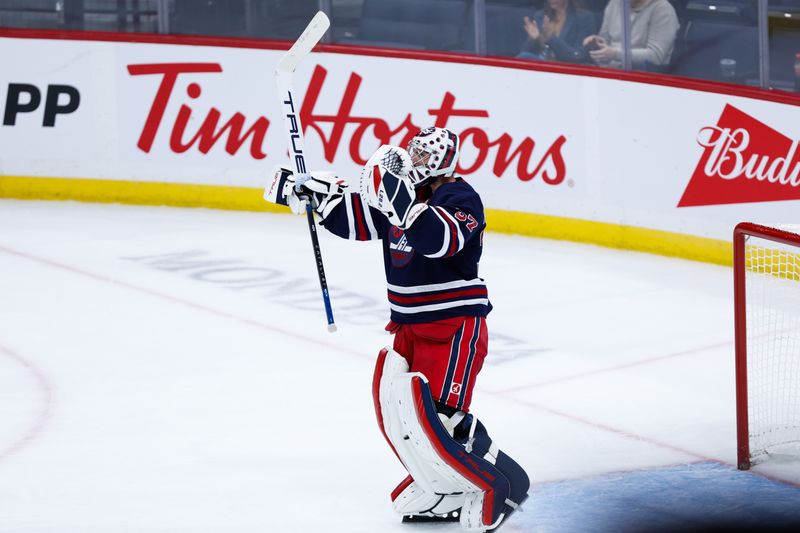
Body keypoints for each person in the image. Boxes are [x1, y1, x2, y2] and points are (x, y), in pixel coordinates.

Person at [264, 128, 530, 531]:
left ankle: (501, 484)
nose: (415, 161)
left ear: (443, 162)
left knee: (441, 420)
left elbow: (441, 240)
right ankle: (441, 487)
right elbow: (354, 219)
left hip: (453, 326)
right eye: (414, 153)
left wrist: (401, 207)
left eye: (424, 156)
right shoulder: (401, 198)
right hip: (408, 325)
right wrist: (314, 197)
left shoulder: (460, 198)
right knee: (405, 419)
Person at [582, 0, 679, 70]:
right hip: (609, 72)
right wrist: (596, 42)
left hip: (644, 77)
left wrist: (615, 54)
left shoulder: (663, 10)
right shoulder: (614, 3)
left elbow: (656, 57)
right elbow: (605, 39)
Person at [518, 0, 597, 64]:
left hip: (567, 70)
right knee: (524, 57)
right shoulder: (540, 16)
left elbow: (578, 56)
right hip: (542, 67)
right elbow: (526, 52)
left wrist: (551, 37)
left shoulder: (584, 18)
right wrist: (535, 40)